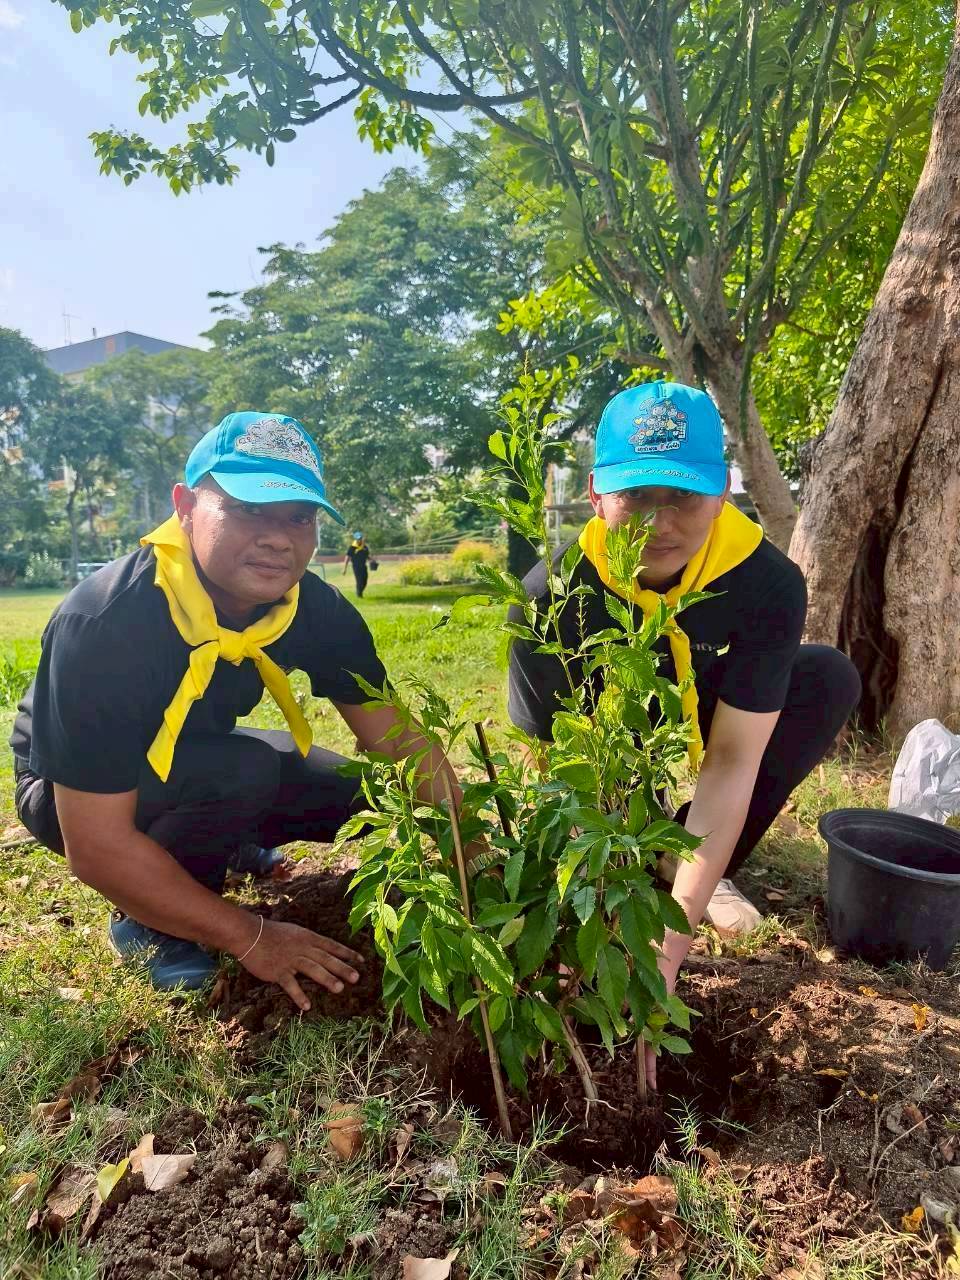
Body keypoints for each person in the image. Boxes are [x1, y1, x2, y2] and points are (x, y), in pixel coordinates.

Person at [10, 412, 467, 1008]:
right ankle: (149, 922)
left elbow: (396, 738)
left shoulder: (312, 608)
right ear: (184, 506)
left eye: (299, 517)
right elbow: (93, 845)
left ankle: (219, 837)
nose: (279, 538)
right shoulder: (105, 623)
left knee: (360, 791)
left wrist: (473, 849)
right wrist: (252, 936)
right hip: (67, 789)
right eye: (249, 509)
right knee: (240, 772)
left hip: (199, 752)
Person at [508, 382, 861, 1081]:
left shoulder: (765, 583)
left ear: (722, 492)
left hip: (707, 714)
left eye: (683, 496)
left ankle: (690, 867)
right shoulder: (552, 597)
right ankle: (634, 859)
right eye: (635, 495)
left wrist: (667, 947)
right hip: (610, 738)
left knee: (826, 677)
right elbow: (553, 766)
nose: (659, 522)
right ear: (596, 494)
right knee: (593, 803)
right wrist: (588, 904)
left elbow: (732, 760)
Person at [343, 531, 372, 598]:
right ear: (355, 539)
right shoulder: (352, 547)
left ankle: (359, 592)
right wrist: (345, 569)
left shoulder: (364, 547)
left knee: (365, 581)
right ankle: (359, 595)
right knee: (359, 581)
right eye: (358, 539)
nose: (359, 540)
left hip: (363, 566)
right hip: (356, 567)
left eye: (360, 538)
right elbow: (347, 558)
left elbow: (367, 556)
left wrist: (372, 560)